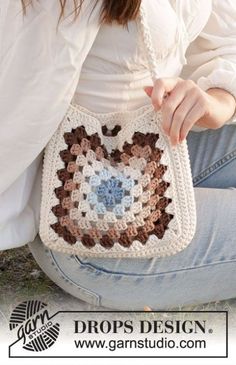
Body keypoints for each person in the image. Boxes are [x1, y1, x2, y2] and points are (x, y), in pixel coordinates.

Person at [1, 0, 236, 310]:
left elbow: (224, 41)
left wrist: (214, 103)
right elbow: (17, 95)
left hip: (161, 154)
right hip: (91, 228)